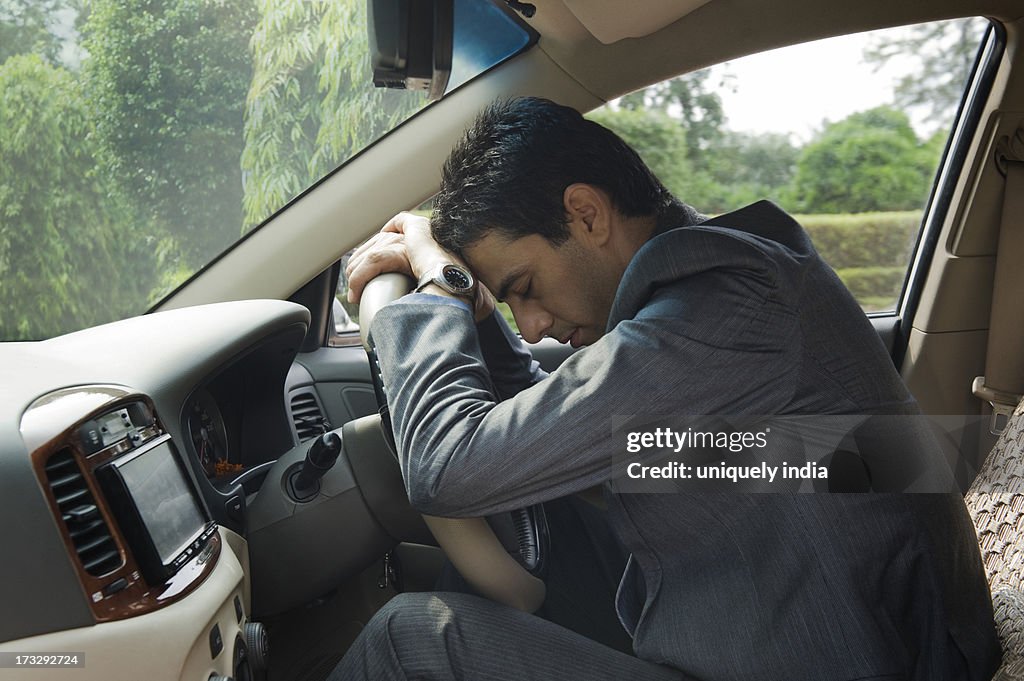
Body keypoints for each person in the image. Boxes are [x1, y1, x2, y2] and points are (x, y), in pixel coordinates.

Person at [329, 97, 1000, 680]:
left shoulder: (715, 312)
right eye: (510, 305)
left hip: (851, 658)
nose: (531, 322)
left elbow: (447, 467)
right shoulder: (726, 281)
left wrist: (432, 293)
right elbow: (561, 425)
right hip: (829, 628)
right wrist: (477, 316)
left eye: (525, 289)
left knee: (410, 639)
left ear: (587, 214)